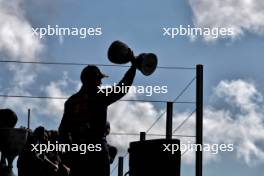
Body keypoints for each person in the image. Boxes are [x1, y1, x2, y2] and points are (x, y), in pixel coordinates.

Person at [58, 49, 136, 176]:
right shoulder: (99, 96)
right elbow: (122, 87)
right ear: (95, 80)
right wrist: (133, 68)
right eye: (99, 79)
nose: (101, 82)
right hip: (97, 153)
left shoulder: (71, 102)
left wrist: (69, 153)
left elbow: (63, 131)